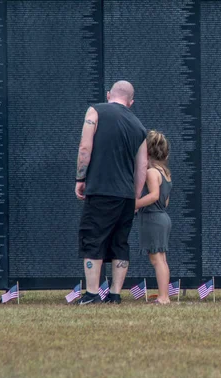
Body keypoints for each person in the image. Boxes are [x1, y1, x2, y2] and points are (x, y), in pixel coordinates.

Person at [75, 80, 148, 305]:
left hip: (101, 189)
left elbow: (85, 147)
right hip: (126, 195)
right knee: (120, 242)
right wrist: (135, 197)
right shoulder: (139, 127)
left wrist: (80, 177)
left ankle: (92, 293)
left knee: (93, 238)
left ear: (109, 95)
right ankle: (115, 294)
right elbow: (142, 166)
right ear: (131, 102)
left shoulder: (95, 111)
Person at [135, 130, 173, 305]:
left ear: (147, 152)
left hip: (153, 218)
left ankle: (163, 297)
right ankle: (164, 294)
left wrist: (135, 204)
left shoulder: (151, 173)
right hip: (162, 216)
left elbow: (154, 196)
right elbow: (165, 201)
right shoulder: (165, 172)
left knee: (157, 259)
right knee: (161, 259)